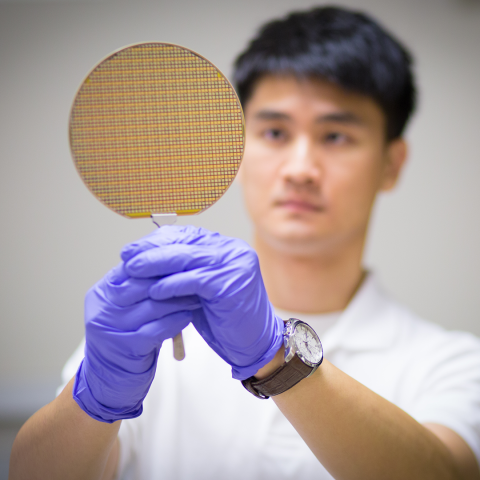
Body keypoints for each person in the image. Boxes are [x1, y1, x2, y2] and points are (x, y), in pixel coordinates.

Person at [9, 6, 480, 480]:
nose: (300, 169)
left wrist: (278, 357)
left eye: (335, 136)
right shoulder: (144, 338)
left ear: (391, 164)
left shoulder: (449, 363)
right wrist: (96, 399)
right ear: (238, 144)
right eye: (274, 132)